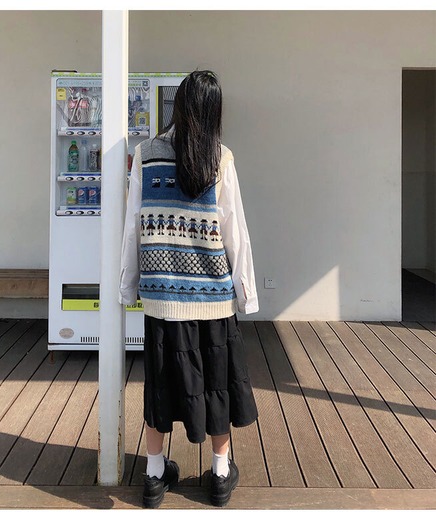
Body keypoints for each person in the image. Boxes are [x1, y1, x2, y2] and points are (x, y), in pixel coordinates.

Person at [119, 70, 259, 509]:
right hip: (212, 300)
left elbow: (132, 229)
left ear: (177, 105)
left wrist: (127, 287)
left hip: (162, 300)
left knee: (160, 387)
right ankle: (219, 474)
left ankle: (154, 475)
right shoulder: (221, 158)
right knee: (217, 384)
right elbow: (236, 232)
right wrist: (246, 293)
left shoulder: (146, 155)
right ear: (214, 111)